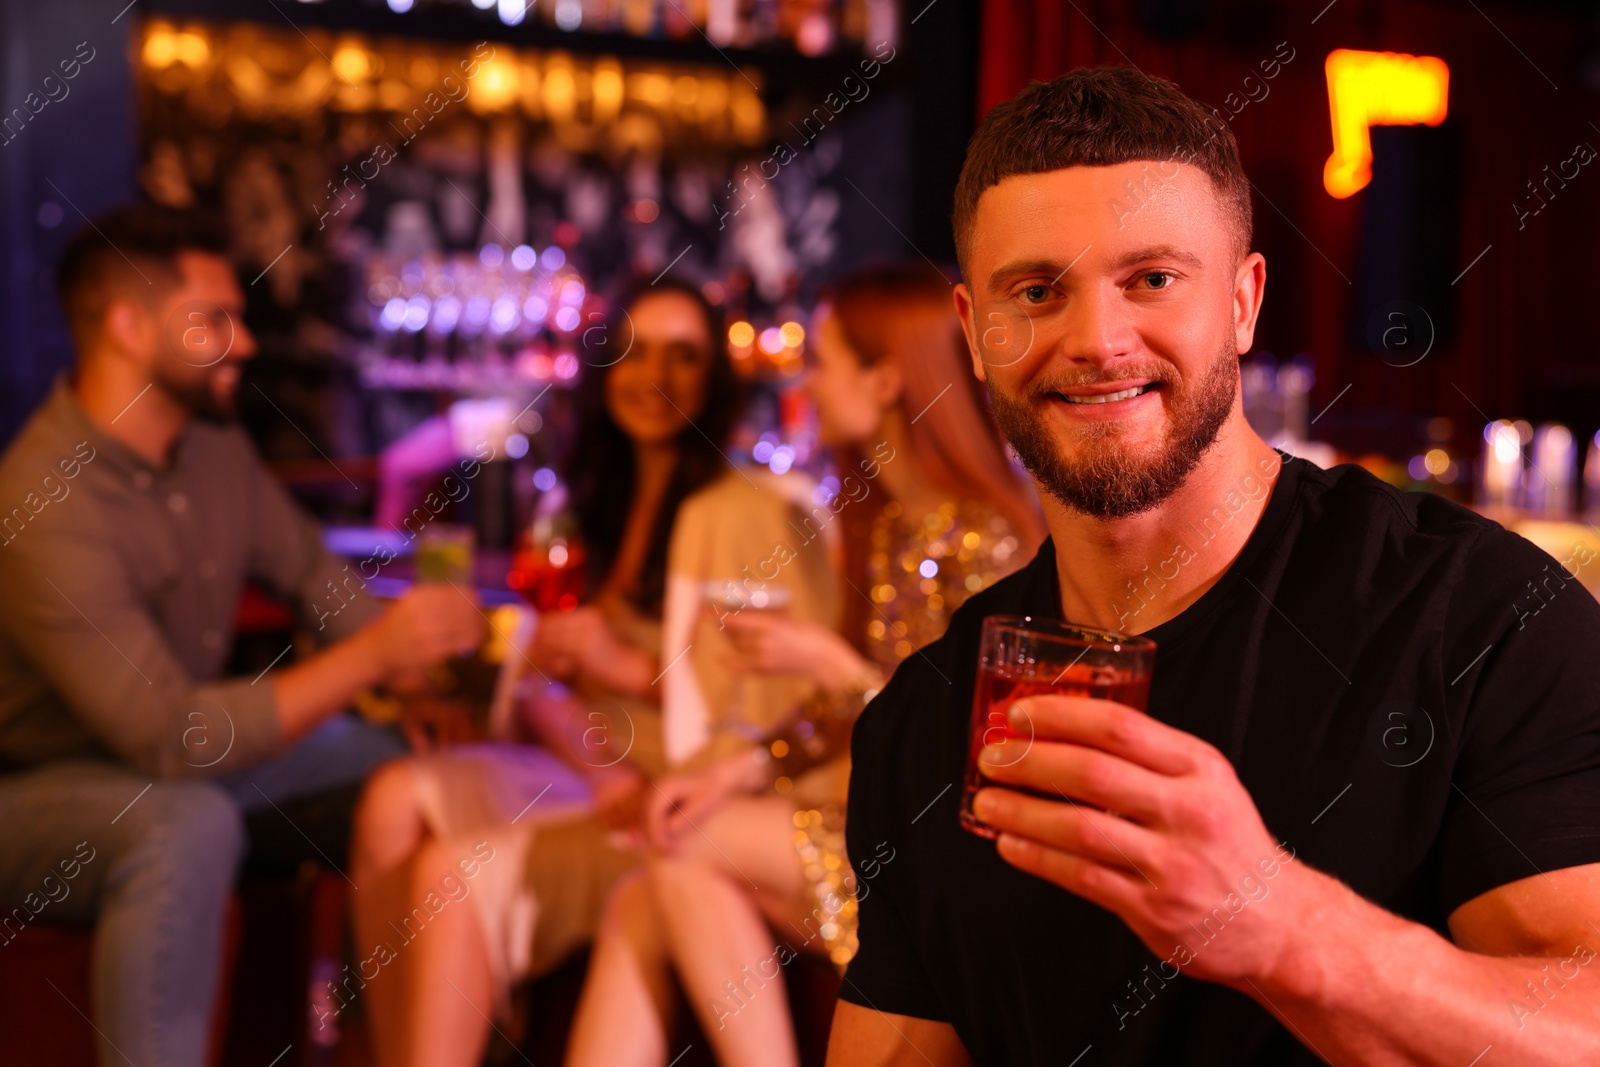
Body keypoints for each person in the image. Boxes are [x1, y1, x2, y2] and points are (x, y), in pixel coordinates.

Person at [826, 66, 1600, 1066]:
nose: (1096, 340)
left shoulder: (1481, 618)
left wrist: (1279, 923)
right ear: (975, 334)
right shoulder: (925, 712)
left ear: (1242, 301)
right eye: (1036, 290)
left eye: (1151, 279)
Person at [0, 203, 484, 1067]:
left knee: (408, 761)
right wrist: (374, 656)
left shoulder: (212, 450)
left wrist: (411, 675)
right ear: (125, 327)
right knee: (183, 824)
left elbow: (313, 576)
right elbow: (168, 733)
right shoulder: (43, 501)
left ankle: (395, 1049)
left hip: (179, 759)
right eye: (215, 320)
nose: (246, 342)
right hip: (35, 795)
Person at [563, 264, 1045, 1067]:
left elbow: (984, 742)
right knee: (648, 890)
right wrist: (736, 769)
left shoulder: (987, 536)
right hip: (881, 833)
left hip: (948, 863)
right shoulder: (887, 520)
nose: (805, 382)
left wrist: (830, 662)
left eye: (822, 361)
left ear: (886, 377)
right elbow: (842, 714)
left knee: (678, 849)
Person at [348, 277, 758, 1067]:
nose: (657, 378)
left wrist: (623, 665)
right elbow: (549, 665)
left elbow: (756, 699)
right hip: (585, 759)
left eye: (684, 357)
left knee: (443, 865)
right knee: (389, 799)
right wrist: (530, 674)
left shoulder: (734, 512)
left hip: (665, 781)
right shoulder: (596, 496)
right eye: (636, 353)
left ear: (714, 381)